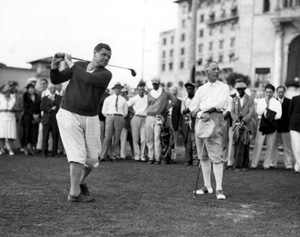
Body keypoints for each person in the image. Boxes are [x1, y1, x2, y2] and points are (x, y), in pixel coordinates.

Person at [50, 43, 112, 203]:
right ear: (95, 53)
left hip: (90, 117)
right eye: (103, 54)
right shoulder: (79, 65)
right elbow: (56, 78)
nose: (106, 58)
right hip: (68, 112)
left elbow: (87, 78)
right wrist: (54, 65)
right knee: (78, 153)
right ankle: (74, 193)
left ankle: (80, 182)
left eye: (109, 57)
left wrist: (70, 63)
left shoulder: (106, 74)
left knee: (92, 159)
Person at [189, 61, 229, 200]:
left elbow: (221, 103)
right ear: (207, 72)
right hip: (201, 121)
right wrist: (200, 113)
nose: (217, 71)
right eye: (214, 69)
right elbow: (192, 105)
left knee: (216, 155)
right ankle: (207, 186)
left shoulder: (224, 87)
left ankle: (219, 188)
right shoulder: (201, 89)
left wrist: (205, 109)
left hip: (215, 120)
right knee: (203, 155)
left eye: (218, 68)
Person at [145, 77, 177, 165]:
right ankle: (150, 157)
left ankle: (157, 158)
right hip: (149, 116)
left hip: (159, 117)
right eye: (153, 84)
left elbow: (174, 100)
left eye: (156, 83)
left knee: (157, 138)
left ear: (159, 83)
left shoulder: (165, 92)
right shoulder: (149, 93)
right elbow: (148, 105)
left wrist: (166, 109)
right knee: (149, 138)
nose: (154, 85)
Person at [251, 83, 282, 169]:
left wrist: (268, 114)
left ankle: (266, 164)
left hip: (272, 125)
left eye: (270, 92)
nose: (268, 94)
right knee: (258, 144)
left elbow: (279, 115)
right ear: (265, 92)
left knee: (270, 145)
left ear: (273, 92)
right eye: (267, 92)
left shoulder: (277, 102)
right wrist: (267, 106)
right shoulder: (261, 101)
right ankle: (254, 164)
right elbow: (259, 112)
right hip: (262, 124)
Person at [99, 82, 128, 162]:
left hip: (119, 117)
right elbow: (104, 111)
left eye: (119, 88)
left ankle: (114, 155)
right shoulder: (108, 99)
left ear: (120, 89)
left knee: (117, 137)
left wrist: (119, 117)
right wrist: (109, 116)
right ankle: (103, 155)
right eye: (116, 88)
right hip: (109, 116)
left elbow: (125, 112)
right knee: (107, 136)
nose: (117, 90)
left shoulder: (123, 100)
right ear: (114, 89)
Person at [230, 81, 255, 171]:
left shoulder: (250, 99)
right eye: (238, 89)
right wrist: (237, 120)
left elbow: (252, 112)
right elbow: (232, 112)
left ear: (245, 89)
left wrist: (243, 121)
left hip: (246, 126)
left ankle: (245, 165)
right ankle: (236, 165)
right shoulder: (234, 99)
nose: (240, 90)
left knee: (245, 144)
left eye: (241, 89)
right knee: (236, 145)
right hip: (237, 125)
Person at [270, 86, 294, 169]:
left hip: (286, 128)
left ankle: (288, 164)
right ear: (277, 92)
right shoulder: (273, 101)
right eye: (279, 92)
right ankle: (273, 163)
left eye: (282, 92)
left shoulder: (289, 101)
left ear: (284, 92)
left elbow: (291, 114)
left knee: (287, 147)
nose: (280, 93)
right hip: (275, 127)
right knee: (274, 146)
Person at [127, 82, 148, 162]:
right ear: (137, 90)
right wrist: (132, 112)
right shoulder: (134, 98)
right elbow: (127, 105)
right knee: (135, 138)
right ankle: (137, 155)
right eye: (139, 90)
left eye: (142, 89)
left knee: (143, 139)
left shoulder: (147, 98)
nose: (141, 91)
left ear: (144, 90)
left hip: (145, 118)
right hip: (136, 118)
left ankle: (143, 155)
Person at [40, 84, 62, 157]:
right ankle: (44, 152)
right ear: (49, 89)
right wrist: (50, 109)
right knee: (45, 137)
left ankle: (54, 152)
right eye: (51, 88)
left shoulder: (59, 97)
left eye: (54, 88)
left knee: (55, 136)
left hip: (54, 120)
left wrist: (53, 101)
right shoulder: (45, 98)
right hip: (46, 119)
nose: (53, 89)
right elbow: (42, 107)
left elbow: (60, 105)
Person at [21, 83, 41, 155]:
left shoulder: (37, 96)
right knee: (27, 132)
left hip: (36, 117)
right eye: (30, 88)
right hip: (27, 117)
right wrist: (32, 114)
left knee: (34, 132)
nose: (31, 90)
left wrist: (38, 114)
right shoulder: (25, 96)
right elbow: (25, 108)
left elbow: (39, 106)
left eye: (32, 88)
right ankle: (26, 148)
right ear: (28, 89)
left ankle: (32, 148)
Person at [181, 82, 197, 166]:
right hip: (187, 120)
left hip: (195, 119)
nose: (189, 90)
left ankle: (195, 159)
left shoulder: (197, 99)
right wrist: (188, 111)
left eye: (191, 89)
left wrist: (189, 110)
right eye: (188, 89)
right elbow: (182, 111)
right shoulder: (184, 99)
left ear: (194, 89)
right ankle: (187, 159)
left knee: (194, 139)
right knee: (186, 139)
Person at [0, 85, 18, 155]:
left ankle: (10, 149)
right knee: (2, 134)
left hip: (11, 118)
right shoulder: (0, 98)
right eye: (6, 92)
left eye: (9, 92)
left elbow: (17, 108)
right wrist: (3, 109)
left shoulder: (13, 99)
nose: (7, 93)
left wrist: (13, 109)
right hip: (2, 118)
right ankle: (2, 149)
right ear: (4, 92)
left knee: (10, 135)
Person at [168, 86, 183, 162]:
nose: (174, 91)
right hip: (167, 120)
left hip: (175, 122)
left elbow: (181, 115)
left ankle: (173, 157)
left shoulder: (179, 102)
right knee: (166, 139)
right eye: (172, 90)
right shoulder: (166, 101)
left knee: (174, 141)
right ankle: (166, 156)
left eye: (175, 90)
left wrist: (180, 125)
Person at [120, 85, 134, 159]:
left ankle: (125, 154)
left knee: (128, 139)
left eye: (124, 92)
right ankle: (120, 154)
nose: (123, 94)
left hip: (127, 121)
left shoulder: (129, 100)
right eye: (122, 92)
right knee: (120, 139)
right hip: (120, 120)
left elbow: (132, 110)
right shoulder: (119, 99)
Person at [289, 86, 300, 173]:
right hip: (294, 126)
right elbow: (290, 112)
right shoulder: (295, 98)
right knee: (296, 146)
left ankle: (297, 165)